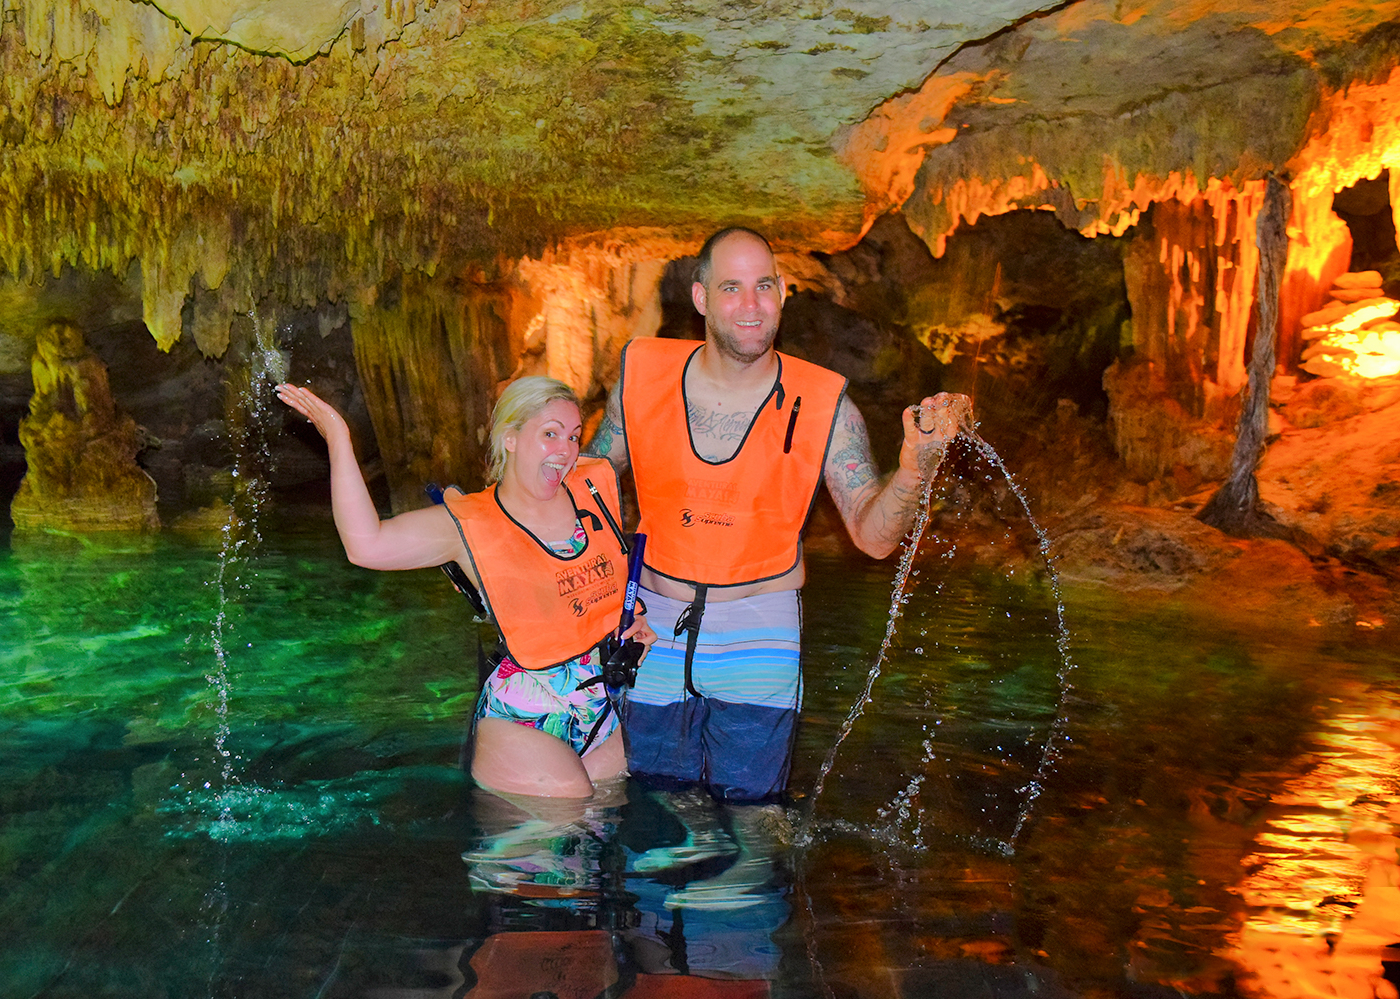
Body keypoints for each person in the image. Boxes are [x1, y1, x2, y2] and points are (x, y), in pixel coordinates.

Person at [586, 226, 971, 803]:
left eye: (763, 286)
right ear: (701, 298)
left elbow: (873, 537)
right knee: (651, 808)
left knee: (751, 815)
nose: (751, 305)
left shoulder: (824, 406)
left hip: (759, 634)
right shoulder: (642, 382)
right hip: (652, 627)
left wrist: (915, 468)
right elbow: (585, 489)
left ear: (783, 291)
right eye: (732, 288)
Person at [277, 375, 656, 799]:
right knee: (565, 820)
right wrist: (338, 438)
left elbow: (607, 587)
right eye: (550, 434)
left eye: (573, 436)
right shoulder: (468, 524)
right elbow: (366, 545)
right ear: (510, 438)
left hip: (601, 706)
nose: (566, 450)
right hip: (522, 718)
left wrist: (636, 624)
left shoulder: (591, 492)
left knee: (604, 825)